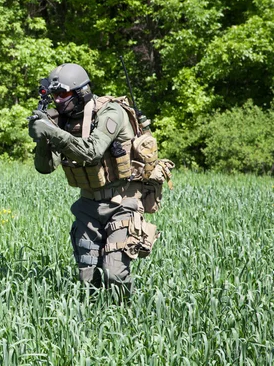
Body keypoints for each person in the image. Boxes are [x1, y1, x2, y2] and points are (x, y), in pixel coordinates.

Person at [28, 63, 172, 300]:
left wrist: (52, 132)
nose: (58, 100)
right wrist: (42, 138)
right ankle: (94, 325)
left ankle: (124, 317)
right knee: (88, 280)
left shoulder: (110, 113)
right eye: (54, 95)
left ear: (81, 92)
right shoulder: (62, 120)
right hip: (87, 205)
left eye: (63, 94)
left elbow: (92, 151)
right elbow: (44, 168)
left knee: (114, 273)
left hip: (122, 201)